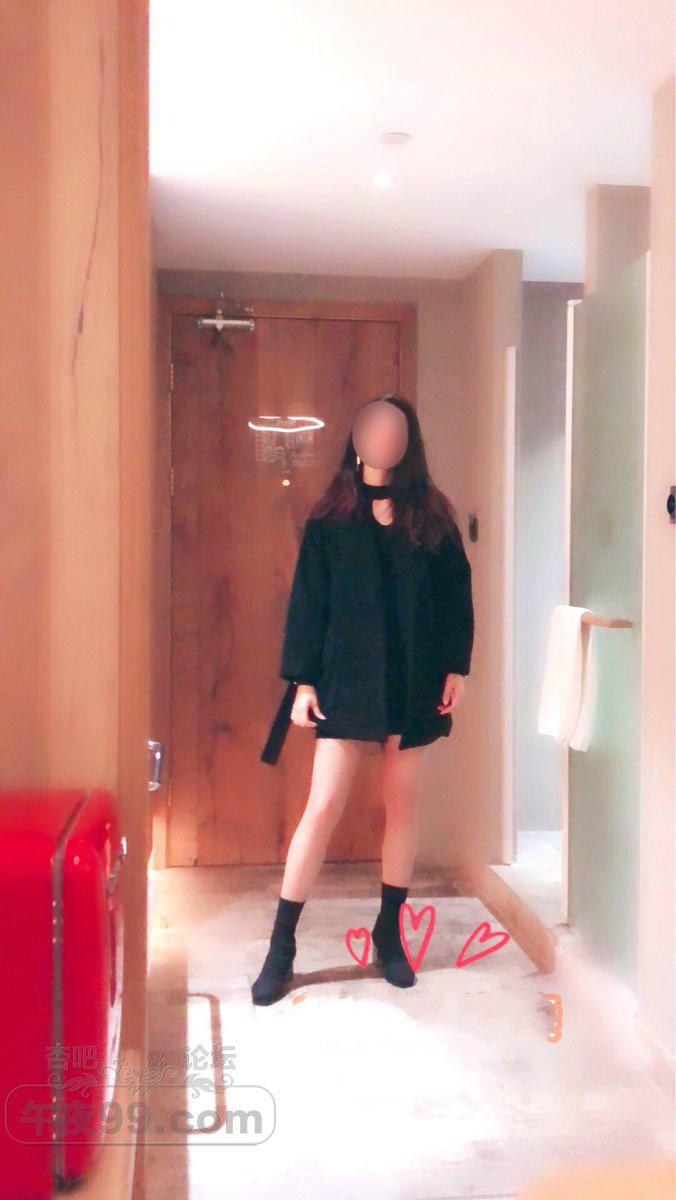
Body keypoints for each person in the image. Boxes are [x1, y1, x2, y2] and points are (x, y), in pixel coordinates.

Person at [252, 393, 475, 1005]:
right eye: (373, 430)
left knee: (402, 808)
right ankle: (281, 946)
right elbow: (308, 603)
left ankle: (389, 934)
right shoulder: (331, 519)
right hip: (348, 679)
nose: (383, 440)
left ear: (408, 442)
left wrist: (457, 667)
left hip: (414, 679)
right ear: (356, 439)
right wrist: (303, 681)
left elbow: (456, 596)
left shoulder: (432, 516)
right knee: (322, 806)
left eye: (395, 431)